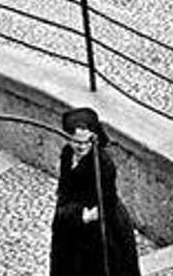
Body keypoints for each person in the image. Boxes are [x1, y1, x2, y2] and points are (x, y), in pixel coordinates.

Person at [50, 108, 141, 276]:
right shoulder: (67, 153)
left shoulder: (103, 165)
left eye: (87, 142)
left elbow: (107, 202)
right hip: (73, 217)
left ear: (94, 138)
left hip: (99, 224)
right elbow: (65, 186)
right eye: (77, 141)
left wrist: (80, 216)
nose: (82, 146)